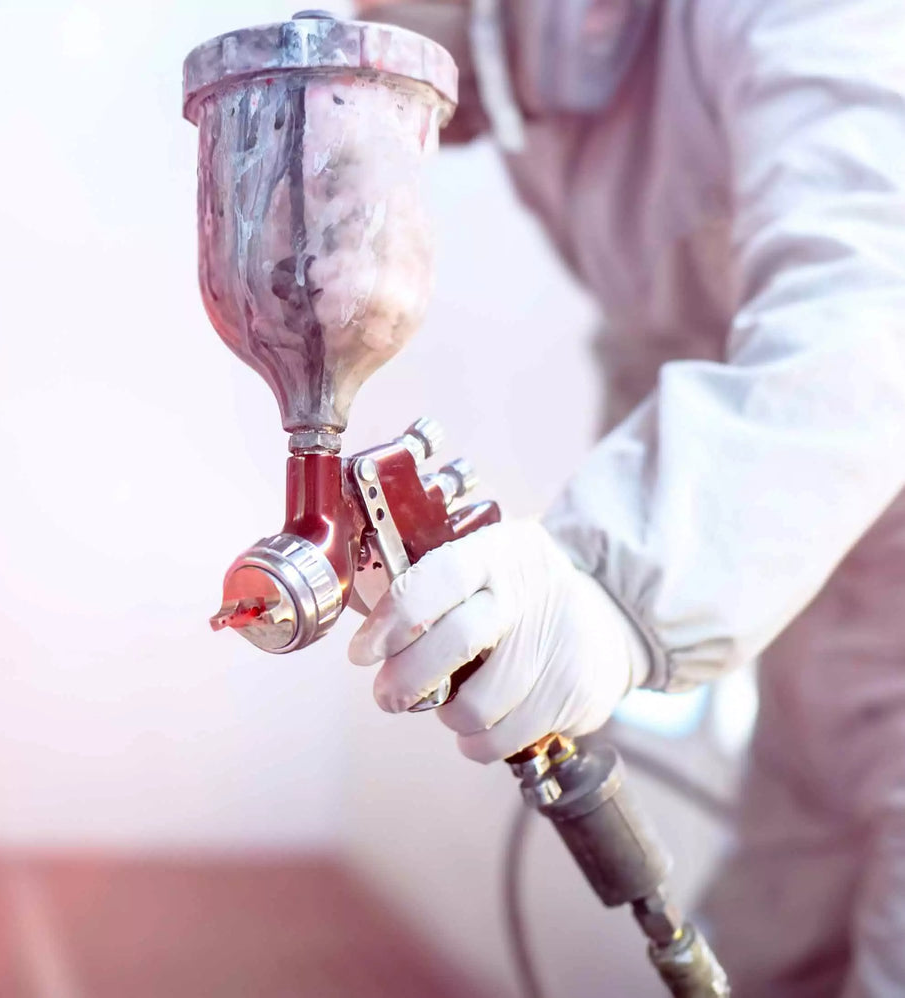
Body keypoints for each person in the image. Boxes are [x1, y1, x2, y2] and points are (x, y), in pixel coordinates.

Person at [347, 1, 905, 994]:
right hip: (827, 602)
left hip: (854, 517)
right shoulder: (542, 88)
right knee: (779, 940)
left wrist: (614, 583)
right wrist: (558, 578)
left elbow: (870, 311)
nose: (360, 21)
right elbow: (667, 327)